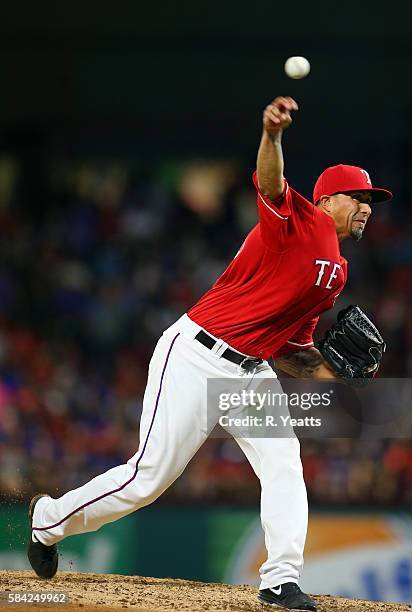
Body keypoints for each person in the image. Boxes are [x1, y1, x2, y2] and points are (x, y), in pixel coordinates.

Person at [28, 96, 392, 612]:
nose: (368, 207)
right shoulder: (298, 220)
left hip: (251, 372)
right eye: (358, 196)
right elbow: (270, 183)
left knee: (285, 463)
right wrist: (272, 135)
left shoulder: (337, 272)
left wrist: (340, 376)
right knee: (148, 479)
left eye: (372, 199)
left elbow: (294, 352)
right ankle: (48, 522)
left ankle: (280, 580)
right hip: (197, 355)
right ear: (328, 200)